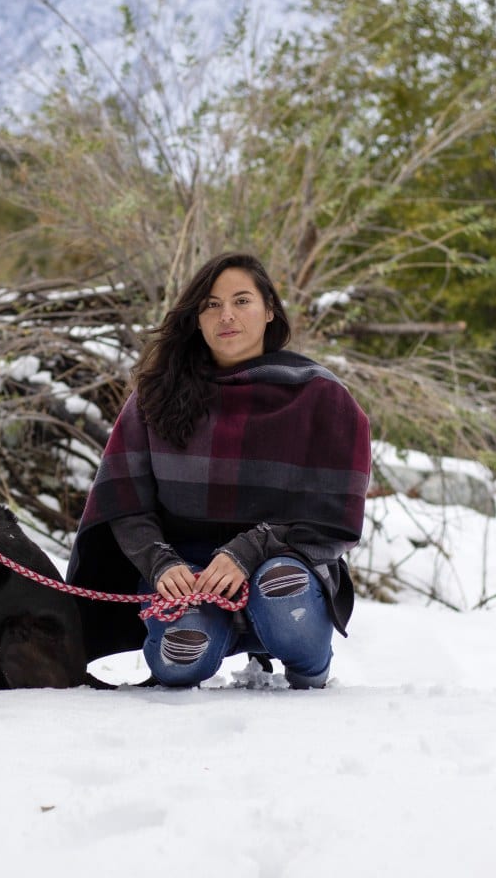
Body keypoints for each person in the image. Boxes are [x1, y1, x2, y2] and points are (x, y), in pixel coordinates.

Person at [66, 252, 371, 688]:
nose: (225, 315)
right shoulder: (157, 394)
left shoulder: (323, 397)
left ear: (269, 310)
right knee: (180, 659)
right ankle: (193, 641)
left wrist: (246, 551)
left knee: (281, 590)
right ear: (197, 318)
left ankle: (308, 673)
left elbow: (334, 516)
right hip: (185, 571)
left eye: (241, 301)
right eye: (211, 304)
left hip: (284, 562)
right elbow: (124, 501)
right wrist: (160, 564)